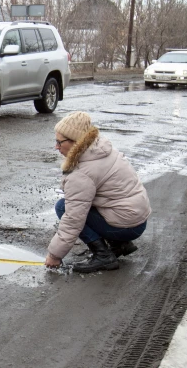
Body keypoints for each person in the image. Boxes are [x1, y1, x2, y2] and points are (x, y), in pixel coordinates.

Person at [45, 111, 151, 273]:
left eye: (60, 142)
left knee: (63, 207)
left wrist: (55, 255)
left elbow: (74, 218)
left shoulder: (82, 172)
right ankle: (119, 244)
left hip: (126, 225)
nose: (56, 147)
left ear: (75, 142)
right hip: (136, 219)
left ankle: (103, 256)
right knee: (84, 203)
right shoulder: (99, 148)